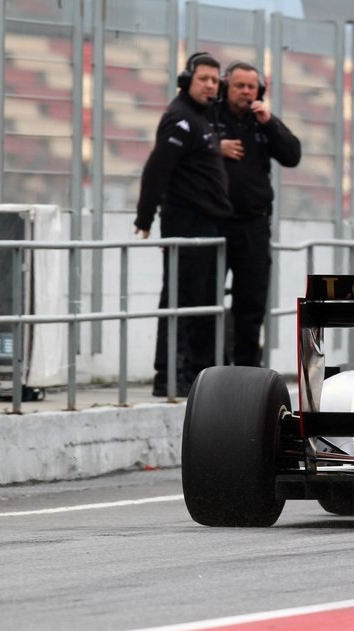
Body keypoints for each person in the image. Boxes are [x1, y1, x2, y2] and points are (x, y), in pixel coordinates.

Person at [135, 52, 233, 396]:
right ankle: (168, 378)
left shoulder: (203, 118)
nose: (210, 85)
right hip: (186, 224)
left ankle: (194, 376)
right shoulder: (180, 118)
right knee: (180, 302)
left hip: (208, 226)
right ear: (186, 81)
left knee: (203, 304)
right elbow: (156, 168)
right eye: (203, 78)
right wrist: (145, 217)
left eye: (214, 80)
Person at [212, 60, 301, 367]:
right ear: (226, 87)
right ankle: (209, 371)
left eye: (251, 87)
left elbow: (292, 155)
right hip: (214, 223)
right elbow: (185, 148)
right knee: (206, 303)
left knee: (251, 305)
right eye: (239, 86)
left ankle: (247, 372)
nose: (246, 92)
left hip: (253, 225)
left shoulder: (262, 122)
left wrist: (270, 122)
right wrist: (215, 146)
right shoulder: (210, 116)